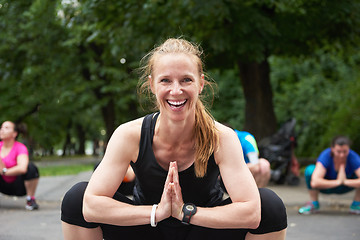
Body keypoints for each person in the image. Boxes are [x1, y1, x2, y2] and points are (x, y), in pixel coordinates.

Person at [61, 38, 287, 240]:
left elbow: (252, 212)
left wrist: (185, 212)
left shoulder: (222, 138)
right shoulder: (129, 135)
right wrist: (157, 212)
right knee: (76, 198)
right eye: (166, 81)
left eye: (186, 80)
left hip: (203, 230)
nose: (176, 90)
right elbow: (90, 205)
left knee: (270, 205)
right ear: (151, 85)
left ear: (200, 83)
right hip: (147, 229)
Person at [298, 135, 360, 215]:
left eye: (345, 152)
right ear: (333, 149)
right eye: (338, 151)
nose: (342, 155)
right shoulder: (326, 155)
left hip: (346, 186)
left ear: (349, 149)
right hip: (326, 187)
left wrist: (345, 182)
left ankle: (356, 204)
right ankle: (314, 203)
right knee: (310, 170)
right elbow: (315, 182)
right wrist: (338, 182)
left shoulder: (353, 157)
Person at [0, 121, 40, 210]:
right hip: (2, 184)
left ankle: (30, 200)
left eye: (6, 128)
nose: (2, 130)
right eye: (1, 127)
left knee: (31, 168)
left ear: (14, 134)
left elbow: (23, 168)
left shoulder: (20, 148)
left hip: (18, 186)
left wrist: (4, 171)